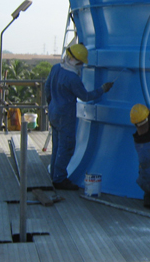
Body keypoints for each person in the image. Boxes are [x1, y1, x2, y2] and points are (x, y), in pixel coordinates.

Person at [45, 44, 114, 190]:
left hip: (53, 112)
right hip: (65, 116)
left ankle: (54, 175)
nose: (82, 65)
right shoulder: (72, 78)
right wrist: (102, 89)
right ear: (76, 61)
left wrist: (52, 105)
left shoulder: (56, 68)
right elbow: (85, 96)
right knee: (66, 147)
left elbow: (47, 89)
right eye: (81, 62)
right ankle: (59, 179)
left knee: (57, 146)